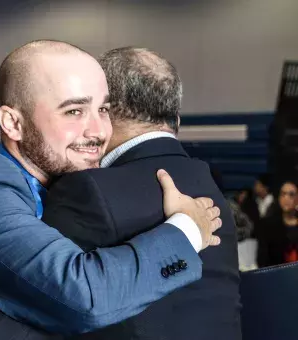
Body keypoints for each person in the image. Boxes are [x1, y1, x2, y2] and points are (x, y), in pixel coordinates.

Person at [0, 40, 222, 338]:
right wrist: (187, 230)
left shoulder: (62, 185)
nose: (99, 131)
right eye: (74, 111)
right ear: (12, 123)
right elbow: (82, 296)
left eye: (104, 109)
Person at [42, 47, 241, 340]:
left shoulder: (88, 188)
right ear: (176, 116)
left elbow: (48, 296)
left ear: (106, 109)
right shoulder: (204, 180)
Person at [257, 180, 298, 267]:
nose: (286, 198)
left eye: (291, 194)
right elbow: (262, 259)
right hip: (277, 276)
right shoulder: (267, 225)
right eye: (283, 194)